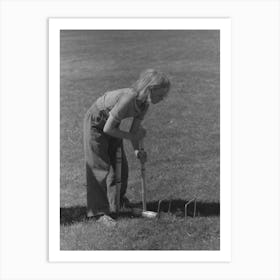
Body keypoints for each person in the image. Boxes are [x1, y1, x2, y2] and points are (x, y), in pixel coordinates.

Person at [83, 69, 170, 225]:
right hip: (96, 124)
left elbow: (134, 130)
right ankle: (98, 212)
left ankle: (117, 202)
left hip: (112, 126)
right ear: (149, 89)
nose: (162, 98)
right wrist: (132, 137)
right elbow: (107, 129)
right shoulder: (129, 97)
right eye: (160, 95)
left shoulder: (144, 104)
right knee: (99, 167)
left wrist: (137, 151)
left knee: (121, 168)